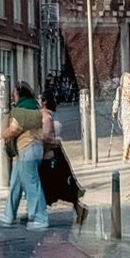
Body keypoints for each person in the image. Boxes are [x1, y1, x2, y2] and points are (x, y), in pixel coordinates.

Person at [0, 82, 49, 230]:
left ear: (19, 95)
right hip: (34, 149)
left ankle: (40, 218)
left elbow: (14, 129)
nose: (13, 97)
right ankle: (8, 215)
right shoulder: (35, 106)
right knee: (16, 182)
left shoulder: (21, 110)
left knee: (32, 185)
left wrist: (0, 136)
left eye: (14, 94)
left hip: (26, 148)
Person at [38, 92, 87, 224]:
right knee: (50, 188)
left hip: (48, 157)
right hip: (48, 155)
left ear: (44, 102)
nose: (37, 102)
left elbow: (47, 137)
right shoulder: (45, 115)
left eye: (39, 99)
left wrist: (37, 139)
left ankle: (39, 216)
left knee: (50, 187)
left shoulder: (46, 117)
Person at [112, 71, 130, 160]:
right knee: (128, 133)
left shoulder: (122, 89)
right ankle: (125, 152)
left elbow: (117, 102)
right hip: (128, 113)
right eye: (127, 78)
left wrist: (114, 110)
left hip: (126, 113)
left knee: (129, 132)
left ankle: (129, 152)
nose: (128, 80)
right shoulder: (124, 89)